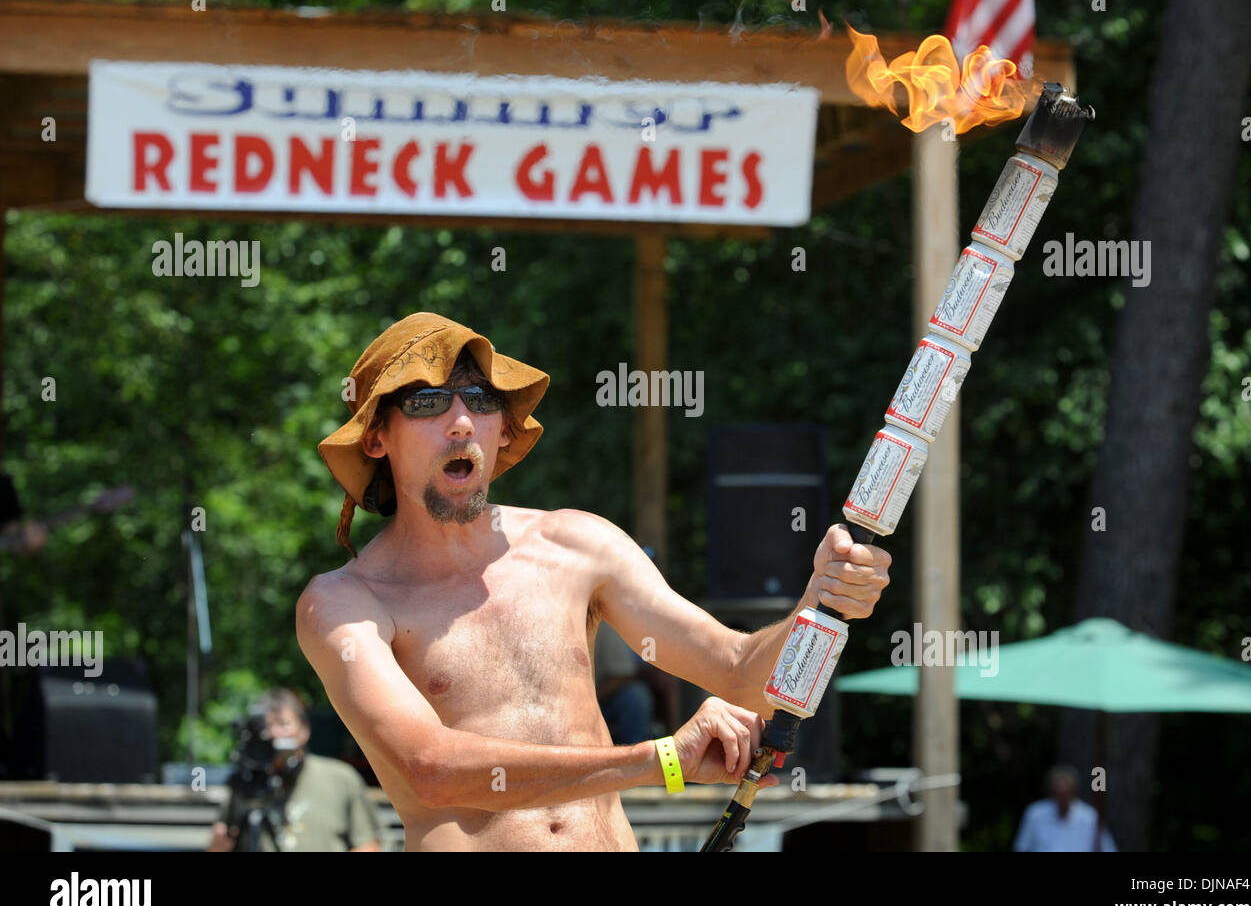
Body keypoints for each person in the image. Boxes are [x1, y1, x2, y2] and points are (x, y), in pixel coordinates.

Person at [297, 312, 891, 851]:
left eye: (479, 399)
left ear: (503, 428)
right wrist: (664, 759)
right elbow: (430, 767)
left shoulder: (578, 545)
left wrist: (818, 603)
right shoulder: (344, 603)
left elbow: (739, 671)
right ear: (376, 437)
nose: (460, 422)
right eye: (427, 402)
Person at [208, 688, 382, 852]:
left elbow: (368, 846)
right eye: (267, 727)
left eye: (283, 724)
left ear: (304, 730)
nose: (274, 734)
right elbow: (219, 844)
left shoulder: (339, 778)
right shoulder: (246, 783)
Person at [1013, 765, 1117, 852]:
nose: (1062, 799)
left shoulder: (1090, 818)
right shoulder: (1035, 814)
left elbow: (1108, 849)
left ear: (1073, 793)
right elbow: (1022, 847)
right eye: (1058, 794)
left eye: (1065, 794)